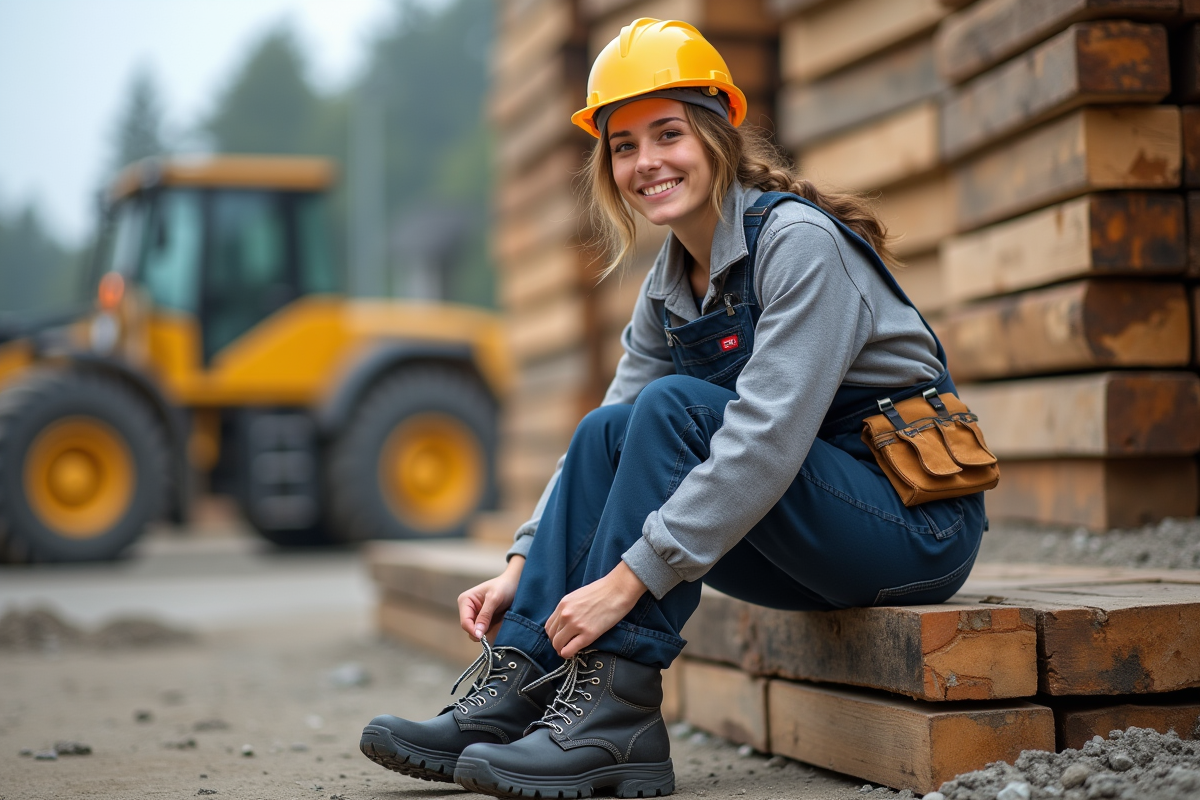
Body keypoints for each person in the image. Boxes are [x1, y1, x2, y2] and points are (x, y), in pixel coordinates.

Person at [359, 17, 986, 799]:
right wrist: (522, 566)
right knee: (609, 427)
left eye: (667, 134)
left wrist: (626, 581)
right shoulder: (670, 285)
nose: (646, 162)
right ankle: (515, 689)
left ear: (718, 136)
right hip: (805, 530)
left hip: (911, 532)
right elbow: (605, 443)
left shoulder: (797, 245)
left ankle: (617, 718)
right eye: (623, 146)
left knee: (675, 410)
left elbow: (763, 443)